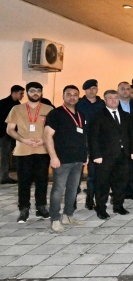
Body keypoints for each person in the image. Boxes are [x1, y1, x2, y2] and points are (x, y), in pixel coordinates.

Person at [5, 82, 53, 223]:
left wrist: (44, 140)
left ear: (41, 92)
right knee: (24, 182)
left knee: (42, 181)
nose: (35, 93)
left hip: (42, 150)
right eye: (32, 90)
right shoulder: (16, 109)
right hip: (23, 151)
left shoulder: (49, 109)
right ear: (27, 93)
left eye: (38, 90)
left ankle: (41, 208)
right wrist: (24, 140)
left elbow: (54, 129)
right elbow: (10, 129)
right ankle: (24, 209)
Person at [88, 90, 133, 219]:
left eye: (116, 98)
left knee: (121, 182)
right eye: (110, 98)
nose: (113, 100)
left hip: (123, 155)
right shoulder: (98, 115)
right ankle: (101, 208)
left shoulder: (126, 115)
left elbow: (132, 134)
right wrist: (96, 155)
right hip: (105, 157)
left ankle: (118, 205)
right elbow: (93, 137)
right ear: (105, 100)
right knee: (102, 184)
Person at [44, 85, 87, 232]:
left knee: (73, 189)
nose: (72, 97)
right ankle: (55, 219)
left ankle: (68, 215)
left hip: (78, 160)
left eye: (75, 94)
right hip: (61, 160)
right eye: (69, 94)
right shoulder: (55, 113)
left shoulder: (81, 114)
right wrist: (53, 156)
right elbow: (47, 135)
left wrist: (85, 155)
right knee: (58, 190)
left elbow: (83, 137)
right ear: (63, 96)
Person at [76, 79, 105, 210]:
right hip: (81, 141)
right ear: (85, 90)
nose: (92, 91)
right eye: (89, 89)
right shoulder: (79, 103)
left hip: (97, 142)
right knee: (76, 173)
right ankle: (72, 201)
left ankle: (90, 199)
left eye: (94, 88)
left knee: (94, 174)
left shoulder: (102, 103)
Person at [117, 81, 133, 201]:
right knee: (120, 168)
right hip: (118, 141)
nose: (126, 91)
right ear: (118, 91)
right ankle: (119, 193)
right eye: (123, 89)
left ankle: (130, 191)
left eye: (128, 89)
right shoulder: (114, 104)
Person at [0, 85, 24, 184]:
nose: (22, 95)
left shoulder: (18, 104)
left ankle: (14, 174)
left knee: (15, 155)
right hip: (4, 134)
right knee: (5, 155)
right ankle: (3, 176)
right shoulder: (3, 103)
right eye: (21, 93)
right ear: (14, 92)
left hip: (14, 134)